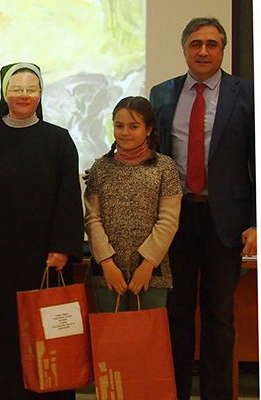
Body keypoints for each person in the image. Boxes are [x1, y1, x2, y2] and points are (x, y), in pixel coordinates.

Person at [148, 17, 256, 399]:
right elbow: (152, 159)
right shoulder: (162, 93)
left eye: (212, 44)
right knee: (175, 314)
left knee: (218, 317)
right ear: (184, 49)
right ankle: (172, 392)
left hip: (225, 221)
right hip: (174, 220)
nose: (204, 51)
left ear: (223, 49)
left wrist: (256, 221)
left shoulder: (247, 95)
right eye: (196, 44)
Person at [0, 62, 83, 399]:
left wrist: (62, 246)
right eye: (16, 89)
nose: (23, 95)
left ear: (41, 94)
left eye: (31, 89)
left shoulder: (58, 140)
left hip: (46, 260)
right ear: (4, 94)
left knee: (47, 336)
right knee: (2, 338)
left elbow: (69, 197)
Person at [84, 96, 182, 312]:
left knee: (147, 341)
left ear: (148, 129)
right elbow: (92, 218)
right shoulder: (100, 167)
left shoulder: (165, 167)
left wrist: (147, 264)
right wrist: (107, 263)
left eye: (133, 126)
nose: (125, 132)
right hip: (107, 273)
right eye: (119, 126)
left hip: (151, 272)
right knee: (110, 340)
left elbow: (168, 220)